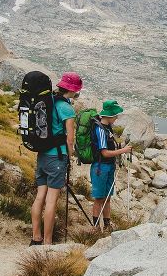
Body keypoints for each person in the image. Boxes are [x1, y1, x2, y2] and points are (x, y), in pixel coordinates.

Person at [30, 72, 82, 245]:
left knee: (40, 197)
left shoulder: (48, 101)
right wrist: (70, 156)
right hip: (57, 157)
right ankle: (48, 242)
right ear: (73, 90)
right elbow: (69, 138)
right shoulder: (67, 108)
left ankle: (35, 237)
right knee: (51, 200)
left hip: (42, 155)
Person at [91, 99, 131, 230]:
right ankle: (96, 227)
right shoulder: (100, 130)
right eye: (115, 115)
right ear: (108, 115)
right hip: (100, 167)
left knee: (107, 197)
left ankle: (107, 225)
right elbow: (105, 153)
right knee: (99, 198)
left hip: (108, 167)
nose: (116, 118)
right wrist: (123, 151)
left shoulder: (108, 128)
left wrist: (122, 148)